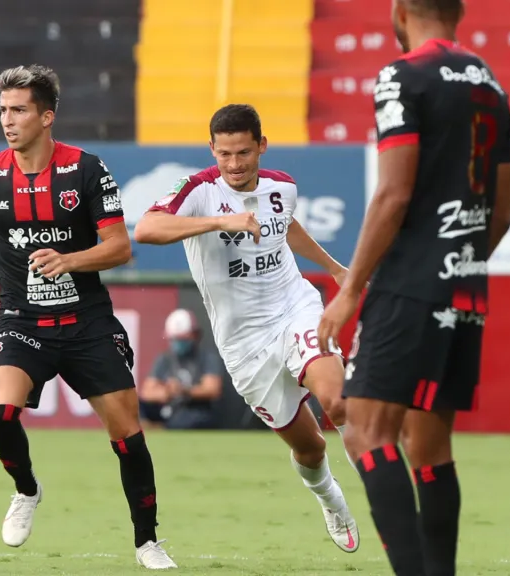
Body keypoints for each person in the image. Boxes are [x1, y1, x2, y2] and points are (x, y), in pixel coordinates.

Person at [0, 64, 176, 570]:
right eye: (3, 110)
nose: (8, 119)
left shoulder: (86, 170)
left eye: (19, 110)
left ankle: (147, 542)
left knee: (127, 433)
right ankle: (26, 490)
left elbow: (120, 247)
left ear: (47, 117)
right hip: (21, 322)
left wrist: (69, 259)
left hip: (86, 322)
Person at [316, 0, 510, 573]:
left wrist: (352, 290)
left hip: (410, 285)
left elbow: (393, 194)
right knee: (429, 447)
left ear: (399, 12)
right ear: (459, 11)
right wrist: (456, 266)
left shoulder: (403, 75)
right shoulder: (491, 85)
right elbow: (500, 213)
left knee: (365, 432)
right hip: (466, 288)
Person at [134, 103, 360, 553]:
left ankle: (388, 494)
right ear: (212, 151)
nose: (234, 165)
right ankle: (330, 498)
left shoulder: (284, 186)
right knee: (310, 449)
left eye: (243, 153)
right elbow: (145, 229)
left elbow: (284, 227)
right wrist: (222, 219)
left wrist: (335, 267)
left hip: (293, 308)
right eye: (224, 155)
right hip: (243, 343)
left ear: (262, 146)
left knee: (337, 400)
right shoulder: (198, 190)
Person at [139, 309, 225, 430]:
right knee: (137, 407)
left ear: (194, 335)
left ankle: (162, 428)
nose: (178, 343)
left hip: (194, 408)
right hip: (168, 408)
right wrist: (166, 392)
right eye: (174, 339)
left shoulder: (207, 358)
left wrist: (184, 391)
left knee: (190, 419)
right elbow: (147, 392)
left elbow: (212, 389)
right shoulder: (164, 359)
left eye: (183, 339)